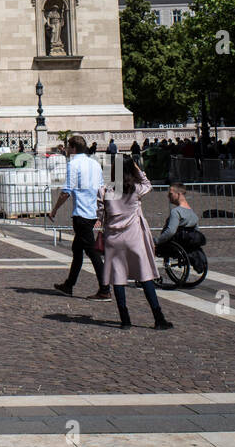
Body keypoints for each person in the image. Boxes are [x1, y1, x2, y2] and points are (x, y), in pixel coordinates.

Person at [101, 161, 173, 330]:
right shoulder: (135, 190)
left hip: (113, 238)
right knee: (145, 276)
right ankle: (158, 317)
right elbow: (148, 184)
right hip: (133, 237)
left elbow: (100, 212)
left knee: (118, 279)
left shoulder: (106, 191)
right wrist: (138, 168)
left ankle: (125, 319)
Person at [48, 134, 110, 299]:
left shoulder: (73, 164)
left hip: (81, 214)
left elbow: (66, 191)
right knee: (77, 250)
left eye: (68, 147)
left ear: (73, 148)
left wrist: (54, 210)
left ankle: (105, 289)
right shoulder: (95, 163)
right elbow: (102, 187)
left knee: (92, 252)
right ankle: (69, 285)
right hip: (92, 212)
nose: (67, 150)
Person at [155, 183, 201, 252]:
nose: (168, 196)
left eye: (170, 194)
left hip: (173, 247)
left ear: (179, 194)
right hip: (186, 247)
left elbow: (170, 231)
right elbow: (197, 232)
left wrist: (156, 241)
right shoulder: (193, 214)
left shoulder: (176, 212)